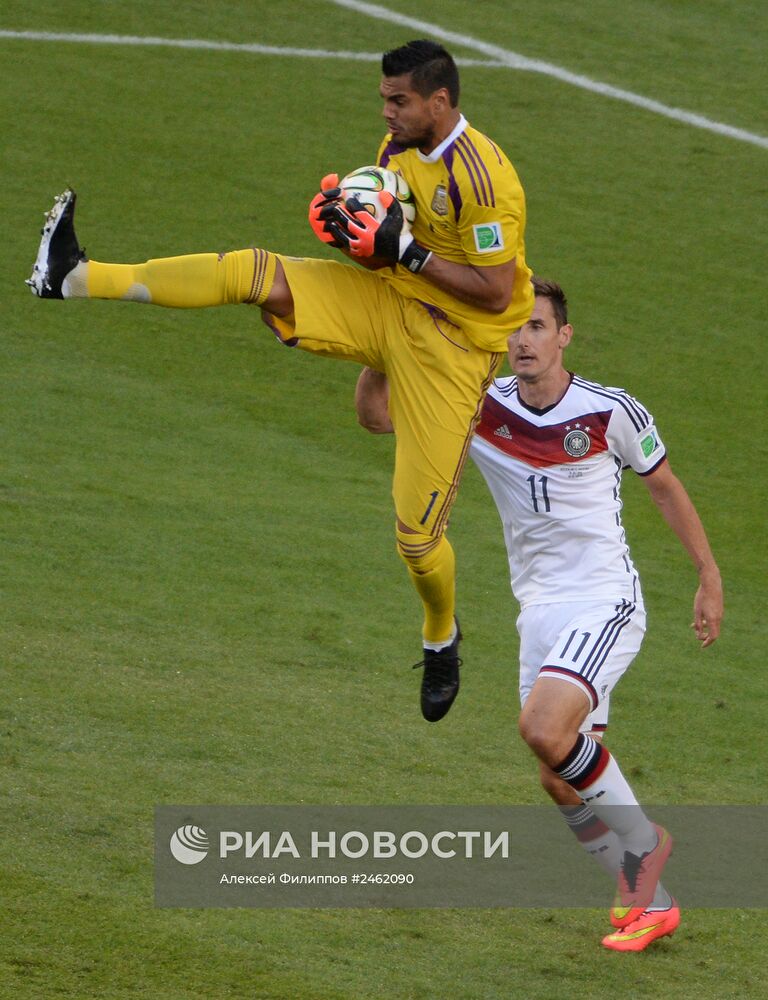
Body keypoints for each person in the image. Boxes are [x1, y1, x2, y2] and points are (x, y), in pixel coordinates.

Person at [27, 39, 534, 724]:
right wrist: (352, 234)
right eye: (384, 98)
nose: (386, 112)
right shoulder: (395, 154)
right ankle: (74, 276)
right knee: (254, 272)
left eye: (399, 101)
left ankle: (441, 636)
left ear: (440, 102)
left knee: (416, 542)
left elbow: (497, 294)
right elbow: (390, 246)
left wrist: (402, 251)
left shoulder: (484, 177)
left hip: (453, 354)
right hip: (391, 305)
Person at [354, 277, 723, 951]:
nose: (522, 340)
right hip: (540, 612)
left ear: (564, 336)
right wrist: (382, 344)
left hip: (605, 598)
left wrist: (707, 574)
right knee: (558, 776)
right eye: (513, 329)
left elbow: (664, 487)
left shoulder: (610, 411)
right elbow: (377, 416)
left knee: (542, 728)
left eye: (537, 327)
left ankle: (646, 848)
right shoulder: (476, 401)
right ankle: (651, 901)